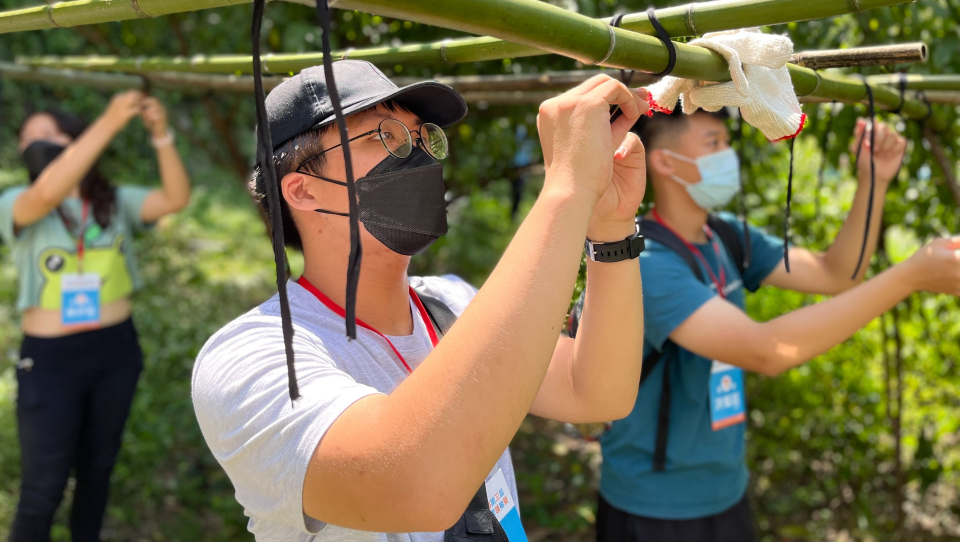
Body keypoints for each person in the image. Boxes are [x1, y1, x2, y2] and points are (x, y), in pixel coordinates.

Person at [191, 60, 650, 540]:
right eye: (383, 138)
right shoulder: (252, 357)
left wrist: (611, 227)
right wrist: (564, 190)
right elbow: (412, 487)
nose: (417, 156)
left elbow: (597, 391)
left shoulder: (451, 303)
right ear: (302, 190)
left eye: (418, 136)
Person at [589, 104, 960, 542]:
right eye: (713, 145)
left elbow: (836, 272)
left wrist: (872, 181)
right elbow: (766, 350)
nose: (728, 156)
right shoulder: (648, 262)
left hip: (727, 492)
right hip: (653, 507)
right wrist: (909, 277)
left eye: (726, 144)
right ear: (665, 162)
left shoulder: (724, 235)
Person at [0, 91, 191, 542]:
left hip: (115, 351)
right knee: (42, 490)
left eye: (48, 134)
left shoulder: (115, 201)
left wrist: (160, 133)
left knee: (97, 473)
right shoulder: (16, 201)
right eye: (28, 139)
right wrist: (107, 123)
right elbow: (47, 190)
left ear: (74, 140)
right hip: (49, 361)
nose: (36, 143)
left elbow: (175, 198)